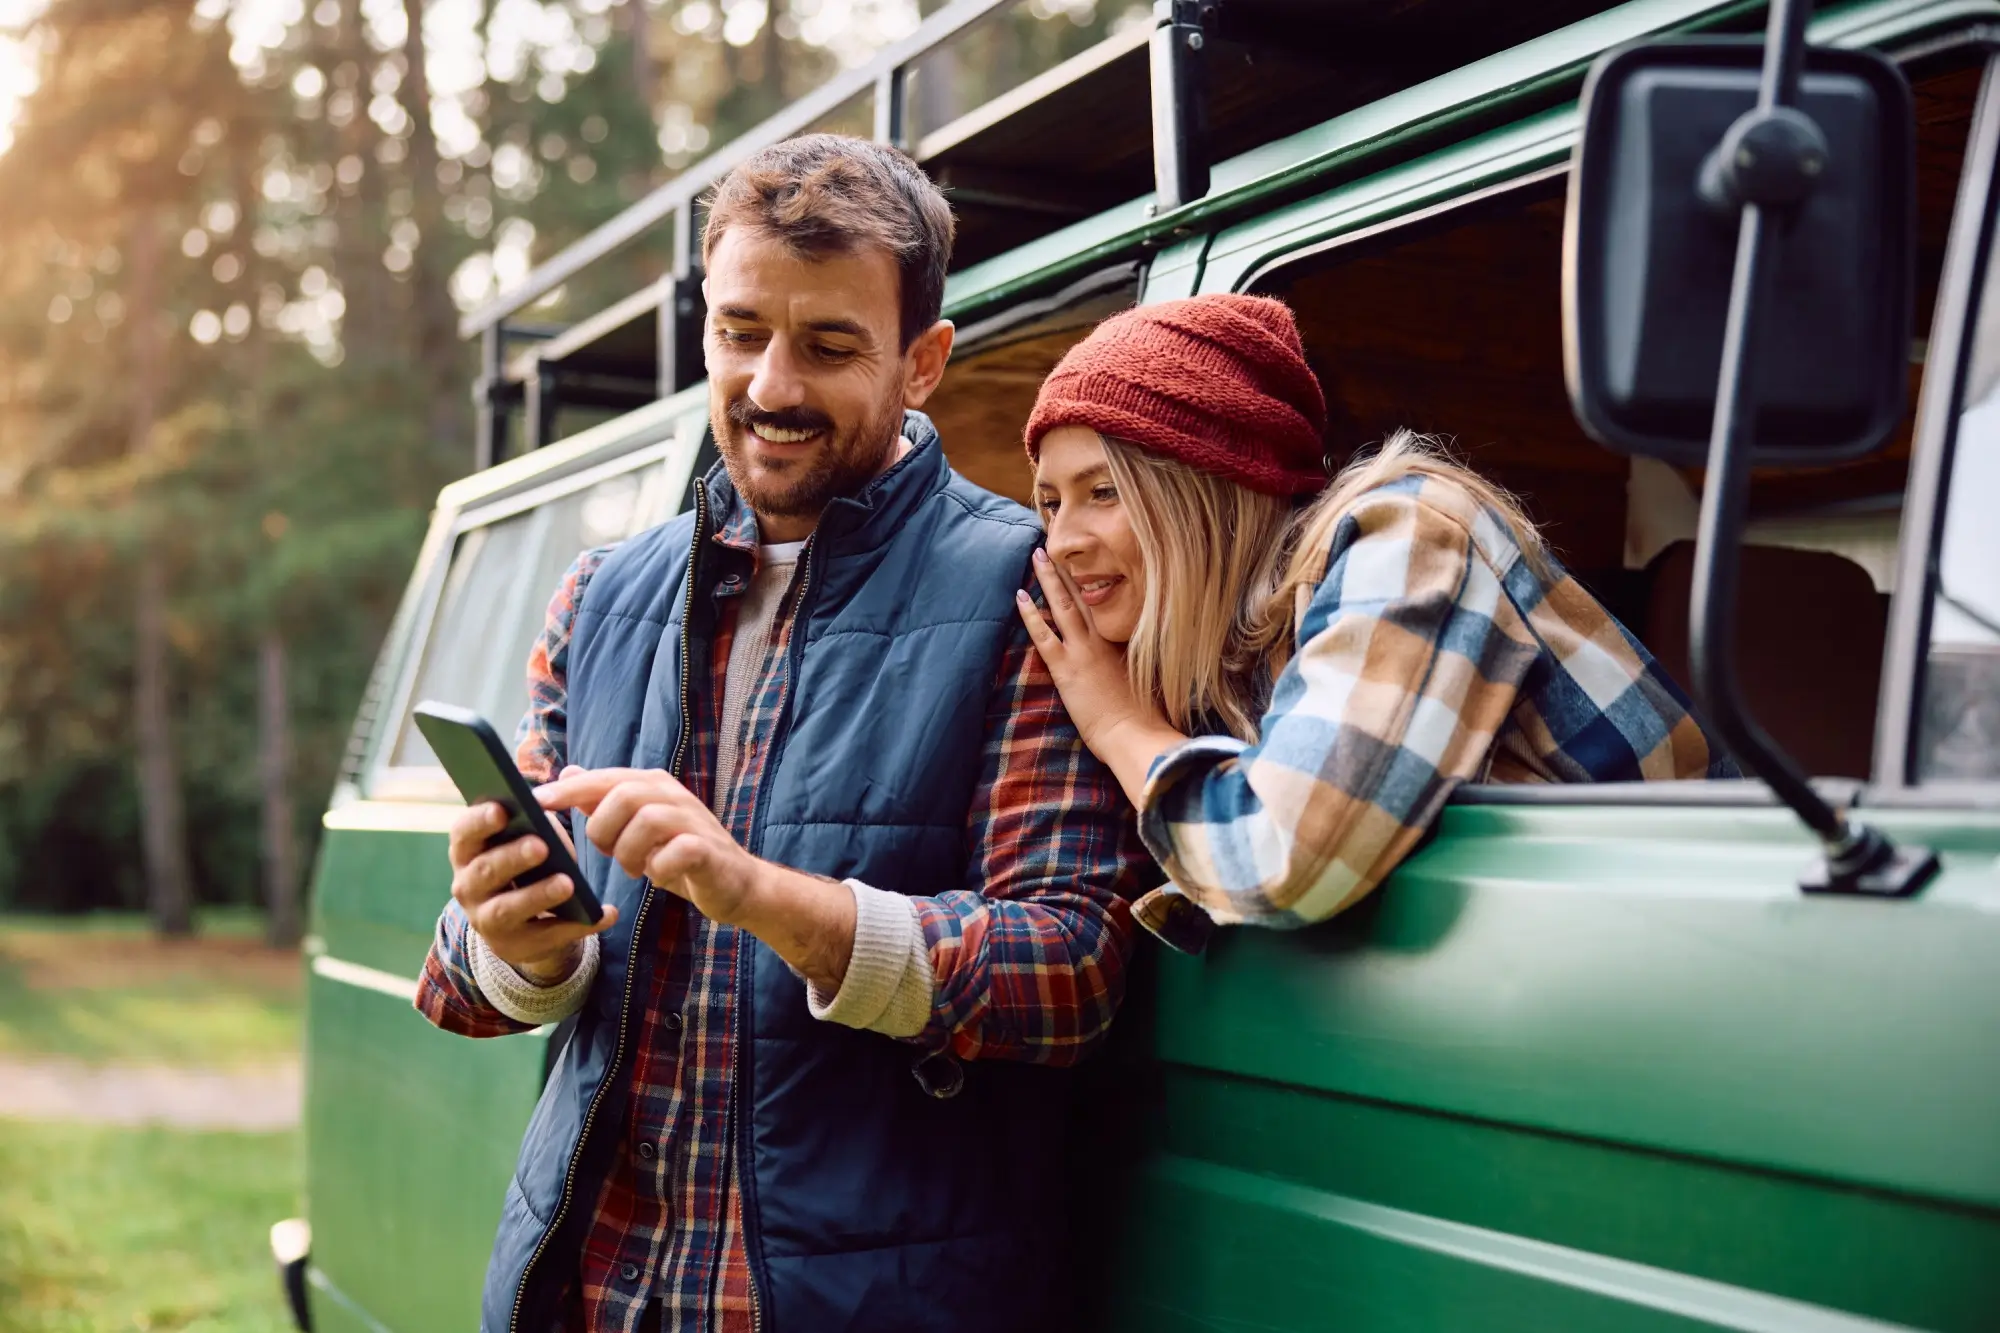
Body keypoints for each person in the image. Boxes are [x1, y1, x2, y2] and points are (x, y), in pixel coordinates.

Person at [413, 135, 1149, 1333]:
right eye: (740, 331)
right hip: (588, 1295)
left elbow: (1069, 972)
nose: (769, 385)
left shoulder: (1029, 588)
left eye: (828, 346)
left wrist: (764, 897)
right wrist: (514, 944)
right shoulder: (598, 596)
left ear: (922, 363)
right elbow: (468, 988)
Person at [1015, 293, 1732, 953]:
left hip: (1702, 946)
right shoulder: (1226, 650)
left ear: (1206, 490)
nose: (1063, 540)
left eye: (1102, 491)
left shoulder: (1410, 533)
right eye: (1050, 503)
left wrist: (1120, 726)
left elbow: (1283, 858)